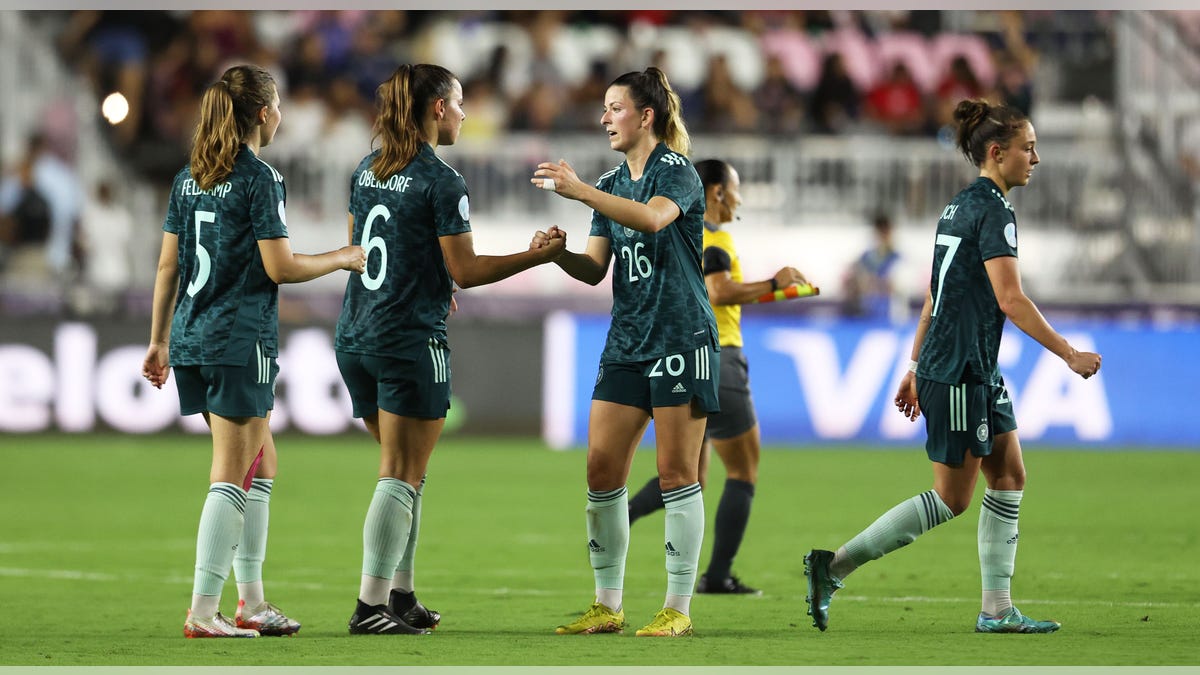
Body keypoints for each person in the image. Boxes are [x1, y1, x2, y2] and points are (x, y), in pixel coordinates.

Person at [803, 98, 1102, 634]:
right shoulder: (993, 212)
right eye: (1027, 148)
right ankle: (835, 564)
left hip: (970, 368)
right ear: (997, 152)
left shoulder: (958, 206)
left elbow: (931, 297)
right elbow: (1010, 299)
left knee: (1009, 475)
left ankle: (996, 609)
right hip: (961, 370)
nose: (1036, 158)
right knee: (952, 498)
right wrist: (1069, 353)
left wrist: (915, 364)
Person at [337, 63, 566, 636]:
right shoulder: (441, 181)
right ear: (437, 108)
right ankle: (369, 607)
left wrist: (427, 281)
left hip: (355, 335)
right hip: (408, 339)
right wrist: (536, 256)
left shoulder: (367, 170)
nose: (465, 114)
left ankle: (401, 593)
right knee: (400, 472)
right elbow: (465, 269)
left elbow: (359, 249)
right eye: (459, 103)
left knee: (407, 474)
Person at [141, 64, 367, 638]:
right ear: (263, 113)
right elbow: (282, 268)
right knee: (232, 472)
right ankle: (203, 610)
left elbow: (168, 264)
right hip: (239, 339)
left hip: (192, 335)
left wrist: (159, 339)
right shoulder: (258, 178)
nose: (282, 114)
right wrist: (340, 257)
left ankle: (253, 603)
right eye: (279, 105)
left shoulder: (189, 177)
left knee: (261, 464)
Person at [530, 67, 718, 638]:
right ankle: (607, 604)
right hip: (628, 341)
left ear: (646, 116)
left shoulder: (677, 172)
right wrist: (556, 256)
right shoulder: (613, 179)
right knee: (601, 469)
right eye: (605, 109)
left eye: (615, 108)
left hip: (681, 337)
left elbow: (656, 219)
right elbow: (594, 270)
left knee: (676, 473)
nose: (605, 117)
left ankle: (677, 607)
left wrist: (583, 190)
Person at [626, 159, 809, 596]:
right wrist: (775, 284)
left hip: (680, 357)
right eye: (736, 188)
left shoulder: (678, 233)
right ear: (715, 191)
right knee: (744, 471)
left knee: (692, 476)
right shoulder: (717, 237)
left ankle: (618, 515)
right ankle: (718, 575)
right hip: (720, 359)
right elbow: (720, 290)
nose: (740, 198)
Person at [840, 212, 901, 321]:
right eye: (879, 232)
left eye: (885, 232)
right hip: (867, 312)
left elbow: (897, 288)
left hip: (890, 314)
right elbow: (854, 279)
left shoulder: (897, 258)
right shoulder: (866, 257)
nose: (882, 237)